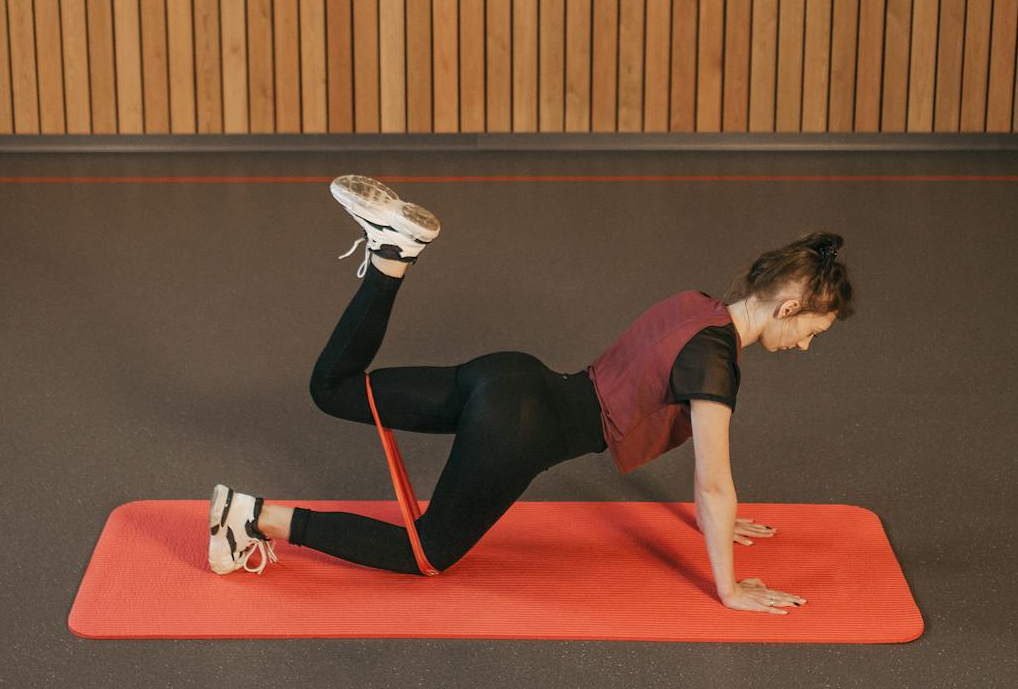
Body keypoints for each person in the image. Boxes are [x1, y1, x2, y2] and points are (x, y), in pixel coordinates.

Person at [206, 175, 855, 614]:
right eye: (811, 331)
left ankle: (390, 256)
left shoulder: (699, 307)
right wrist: (732, 585)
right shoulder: (717, 362)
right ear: (791, 305)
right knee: (426, 554)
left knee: (333, 388)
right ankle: (252, 517)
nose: (803, 344)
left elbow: (662, 408)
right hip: (516, 427)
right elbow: (714, 480)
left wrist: (719, 518)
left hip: (512, 376)